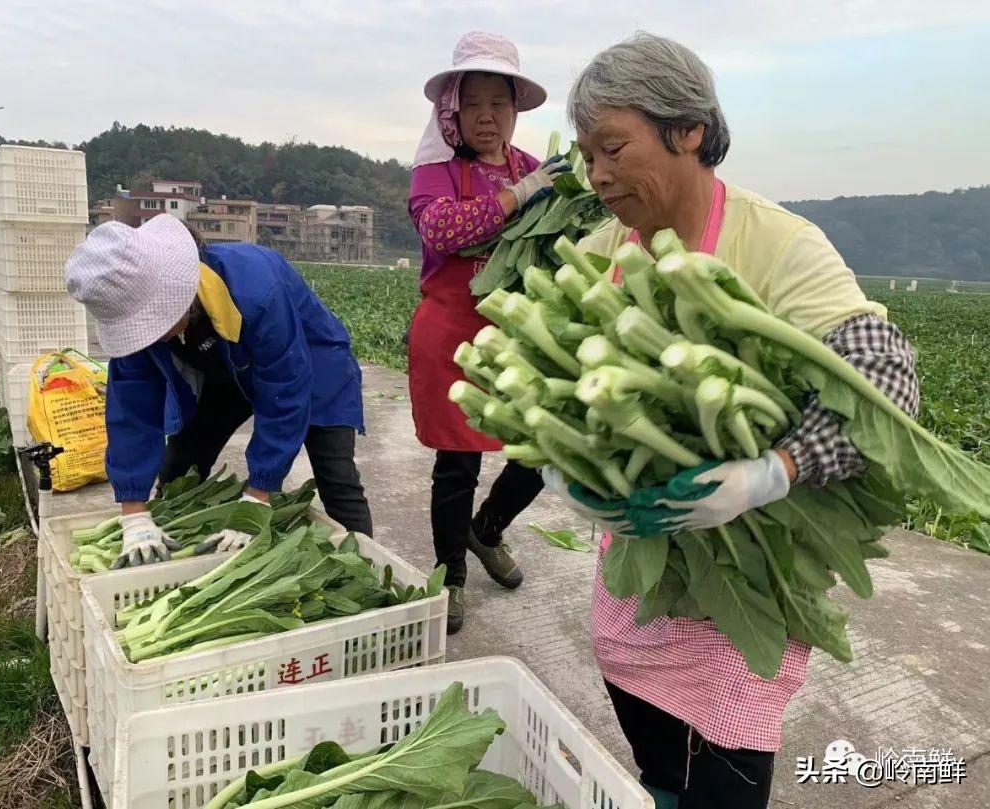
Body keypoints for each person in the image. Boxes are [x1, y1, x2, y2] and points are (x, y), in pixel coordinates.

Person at [545, 33, 921, 809]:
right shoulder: (597, 254)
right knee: (658, 765)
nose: (599, 175)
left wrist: (771, 471)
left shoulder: (780, 244)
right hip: (641, 571)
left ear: (688, 130)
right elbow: (559, 392)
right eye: (588, 157)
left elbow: (888, 382)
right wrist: (562, 462)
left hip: (748, 572)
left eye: (614, 147)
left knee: (726, 781)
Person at [65, 214, 373, 568]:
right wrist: (133, 512)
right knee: (181, 465)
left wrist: (258, 494)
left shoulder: (257, 291)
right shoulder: (134, 310)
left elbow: (285, 389)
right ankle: (168, 562)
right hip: (228, 371)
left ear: (177, 290)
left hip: (311, 363)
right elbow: (132, 409)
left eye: (154, 322)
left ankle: (363, 568)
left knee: (337, 478)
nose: (153, 334)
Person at [407, 31, 571, 633]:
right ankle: (449, 575)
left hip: (517, 333)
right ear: (452, 108)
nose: (486, 116)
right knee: (457, 465)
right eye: (472, 103)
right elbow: (443, 232)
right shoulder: (435, 172)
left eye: (498, 104)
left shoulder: (539, 168)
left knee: (542, 449)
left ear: (515, 109)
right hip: (451, 333)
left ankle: (487, 530)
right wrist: (518, 196)